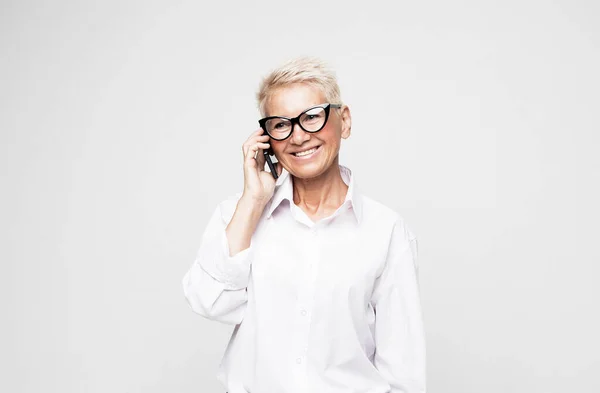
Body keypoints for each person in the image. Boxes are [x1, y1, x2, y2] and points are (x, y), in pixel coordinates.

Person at [182, 57, 426, 393]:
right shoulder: (239, 214)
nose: (298, 137)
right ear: (266, 137)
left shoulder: (386, 232)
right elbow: (209, 301)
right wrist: (253, 201)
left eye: (311, 117)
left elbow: (403, 370)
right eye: (281, 125)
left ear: (344, 121)